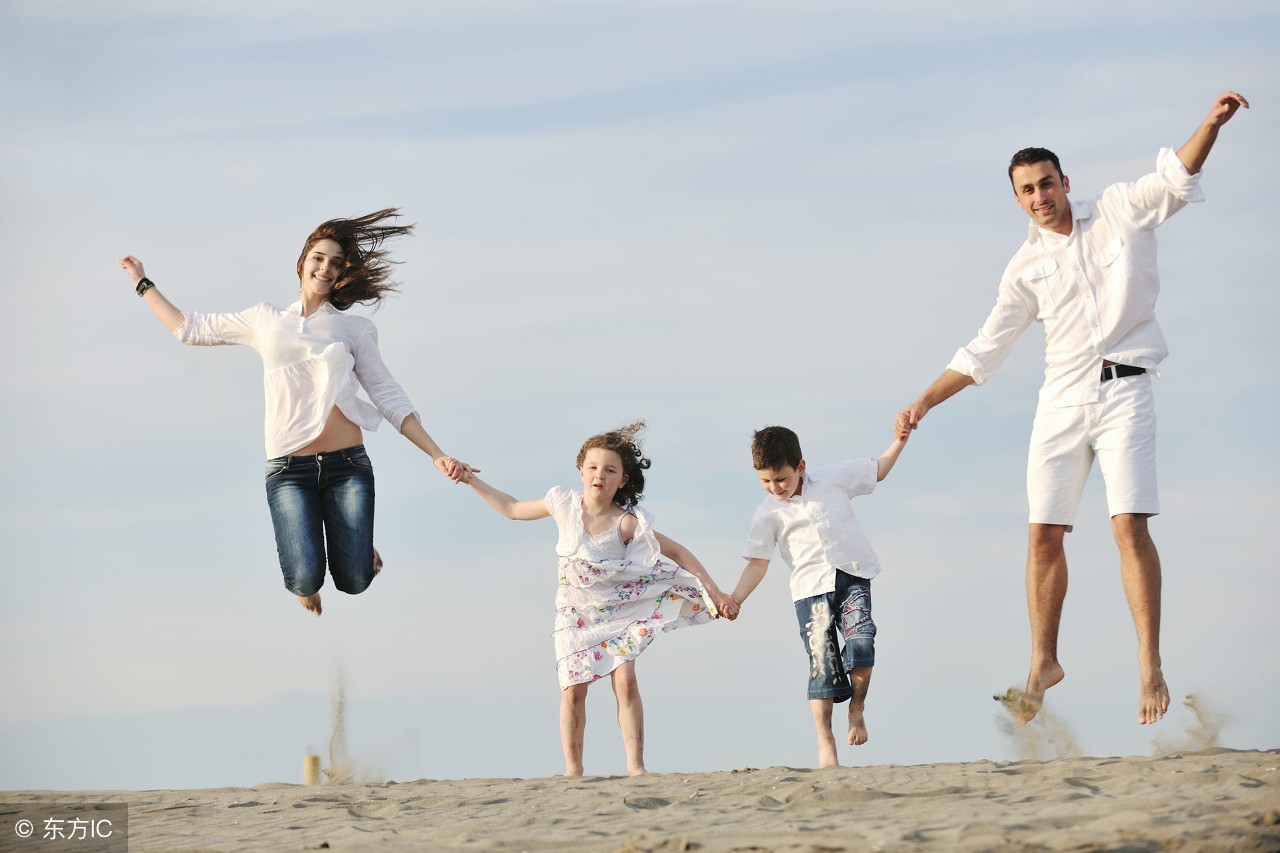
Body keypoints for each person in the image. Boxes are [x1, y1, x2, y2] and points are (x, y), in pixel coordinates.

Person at [895, 91, 1250, 726]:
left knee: (1128, 528)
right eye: (1026, 190)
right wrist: (924, 399)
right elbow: (985, 349)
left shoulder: (1117, 209)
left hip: (1126, 389)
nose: (1039, 197)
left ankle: (1149, 664)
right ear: (1017, 199)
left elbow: (1176, 178)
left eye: (1046, 184)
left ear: (1065, 183)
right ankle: (1043, 661)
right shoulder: (1024, 268)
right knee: (1041, 533)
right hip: (1060, 400)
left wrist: (1209, 125)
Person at [118, 208, 470, 617]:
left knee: (355, 581)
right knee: (304, 579)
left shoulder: (353, 329)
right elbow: (188, 328)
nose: (326, 268)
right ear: (303, 261)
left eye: (336, 263)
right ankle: (326, 555)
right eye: (319, 258)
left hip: (347, 467)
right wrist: (142, 283)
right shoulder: (265, 319)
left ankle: (352, 543)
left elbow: (390, 398)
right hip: (289, 471)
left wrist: (437, 453)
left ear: (341, 275)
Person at [460, 421, 729, 776]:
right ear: (580, 471)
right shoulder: (562, 503)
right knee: (573, 689)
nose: (599, 474)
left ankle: (636, 767)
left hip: (618, 611)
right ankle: (573, 770)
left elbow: (677, 551)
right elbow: (511, 508)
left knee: (626, 680)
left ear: (623, 480)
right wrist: (469, 479)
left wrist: (714, 589)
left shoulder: (627, 523)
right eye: (592, 467)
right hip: (573, 613)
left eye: (610, 469)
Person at [721, 425, 907, 768]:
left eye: (781, 479)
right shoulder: (767, 513)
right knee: (822, 664)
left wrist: (901, 439)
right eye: (766, 481)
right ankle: (826, 745)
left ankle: (857, 709)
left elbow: (877, 470)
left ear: (800, 467)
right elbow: (758, 564)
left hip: (853, 575)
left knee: (862, 641)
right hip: (809, 590)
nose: (775, 487)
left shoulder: (833, 478)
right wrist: (735, 598)